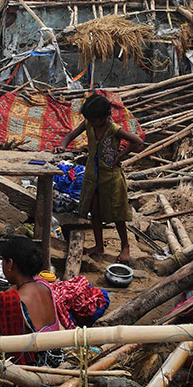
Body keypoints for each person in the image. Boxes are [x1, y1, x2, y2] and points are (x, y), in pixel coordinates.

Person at [58, 94, 145, 264]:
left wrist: (120, 156)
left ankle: (125, 246)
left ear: (105, 117)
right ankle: (99, 245)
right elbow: (69, 137)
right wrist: (61, 147)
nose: (90, 121)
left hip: (111, 177)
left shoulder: (114, 129)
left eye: (94, 119)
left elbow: (137, 141)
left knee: (117, 213)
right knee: (95, 210)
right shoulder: (88, 124)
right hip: (92, 175)